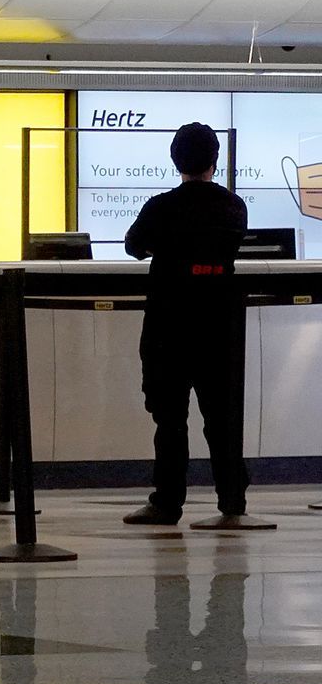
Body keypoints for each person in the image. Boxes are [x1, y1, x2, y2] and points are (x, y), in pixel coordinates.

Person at [123, 122, 266, 530]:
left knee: (170, 418)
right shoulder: (233, 206)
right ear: (215, 160)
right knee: (222, 418)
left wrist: (166, 248)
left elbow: (134, 245)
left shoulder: (161, 207)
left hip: (168, 325)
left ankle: (167, 502)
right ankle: (232, 500)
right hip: (220, 325)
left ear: (174, 160)